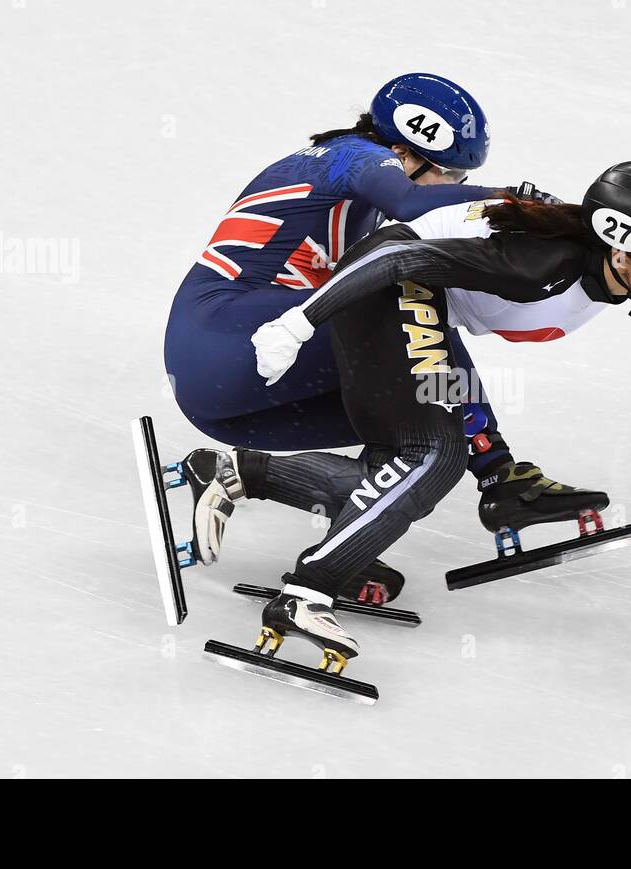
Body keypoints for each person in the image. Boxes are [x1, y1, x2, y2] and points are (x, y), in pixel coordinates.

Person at [232, 160, 631, 673]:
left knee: (391, 476)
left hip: (427, 303)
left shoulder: (601, 274)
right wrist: (298, 323)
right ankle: (305, 595)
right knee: (433, 454)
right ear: (622, 251)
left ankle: (239, 474)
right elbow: (397, 256)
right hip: (387, 279)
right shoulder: (544, 265)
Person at [162, 72, 599, 603]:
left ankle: (242, 480)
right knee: (409, 300)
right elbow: (416, 204)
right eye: (453, 173)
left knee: (416, 442)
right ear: (404, 150)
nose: (454, 184)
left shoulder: (358, 188)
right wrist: (516, 198)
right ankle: (502, 476)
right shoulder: (351, 156)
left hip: (227, 388)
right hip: (227, 334)